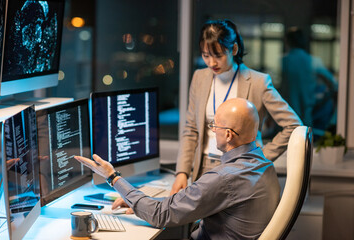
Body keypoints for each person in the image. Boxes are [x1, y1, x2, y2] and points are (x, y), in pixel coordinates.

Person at [75, 98, 280, 240]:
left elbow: (159, 216)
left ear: (228, 135)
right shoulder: (264, 164)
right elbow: (176, 206)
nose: (212, 131)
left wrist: (112, 176)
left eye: (214, 126)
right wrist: (140, 201)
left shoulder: (224, 178)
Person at [171, 19, 302, 194]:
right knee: (200, 222)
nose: (211, 63)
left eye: (218, 55)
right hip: (203, 167)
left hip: (241, 169)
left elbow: (293, 125)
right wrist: (182, 172)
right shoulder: (199, 78)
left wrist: (260, 158)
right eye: (205, 55)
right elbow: (191, 129)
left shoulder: (258, 82)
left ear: (233, 49)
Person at [280, 26, 338, 129]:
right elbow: (334, 84)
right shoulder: (312, 61)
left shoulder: (283, 61)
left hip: (284, 116)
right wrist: (321, 100)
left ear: (287, 41)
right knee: (304, 142)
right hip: (306, 116)